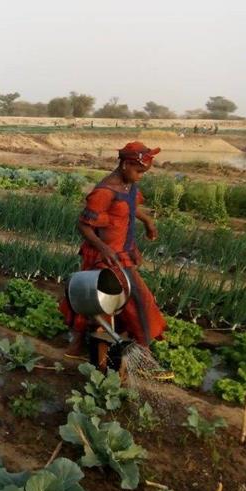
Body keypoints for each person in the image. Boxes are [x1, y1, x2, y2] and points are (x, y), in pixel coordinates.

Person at [60, 142, 167, 358]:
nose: (140, 177)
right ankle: (143, 351)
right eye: (139, 171)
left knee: (99, 300)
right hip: (107, 255)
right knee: (136, 299)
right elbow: (83, 224)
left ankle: (79, 346)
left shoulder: (128, 186)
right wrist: (104, 248)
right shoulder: (105, 191)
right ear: (126, 164)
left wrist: (148, 221)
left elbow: (130, 208)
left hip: (122, 250)